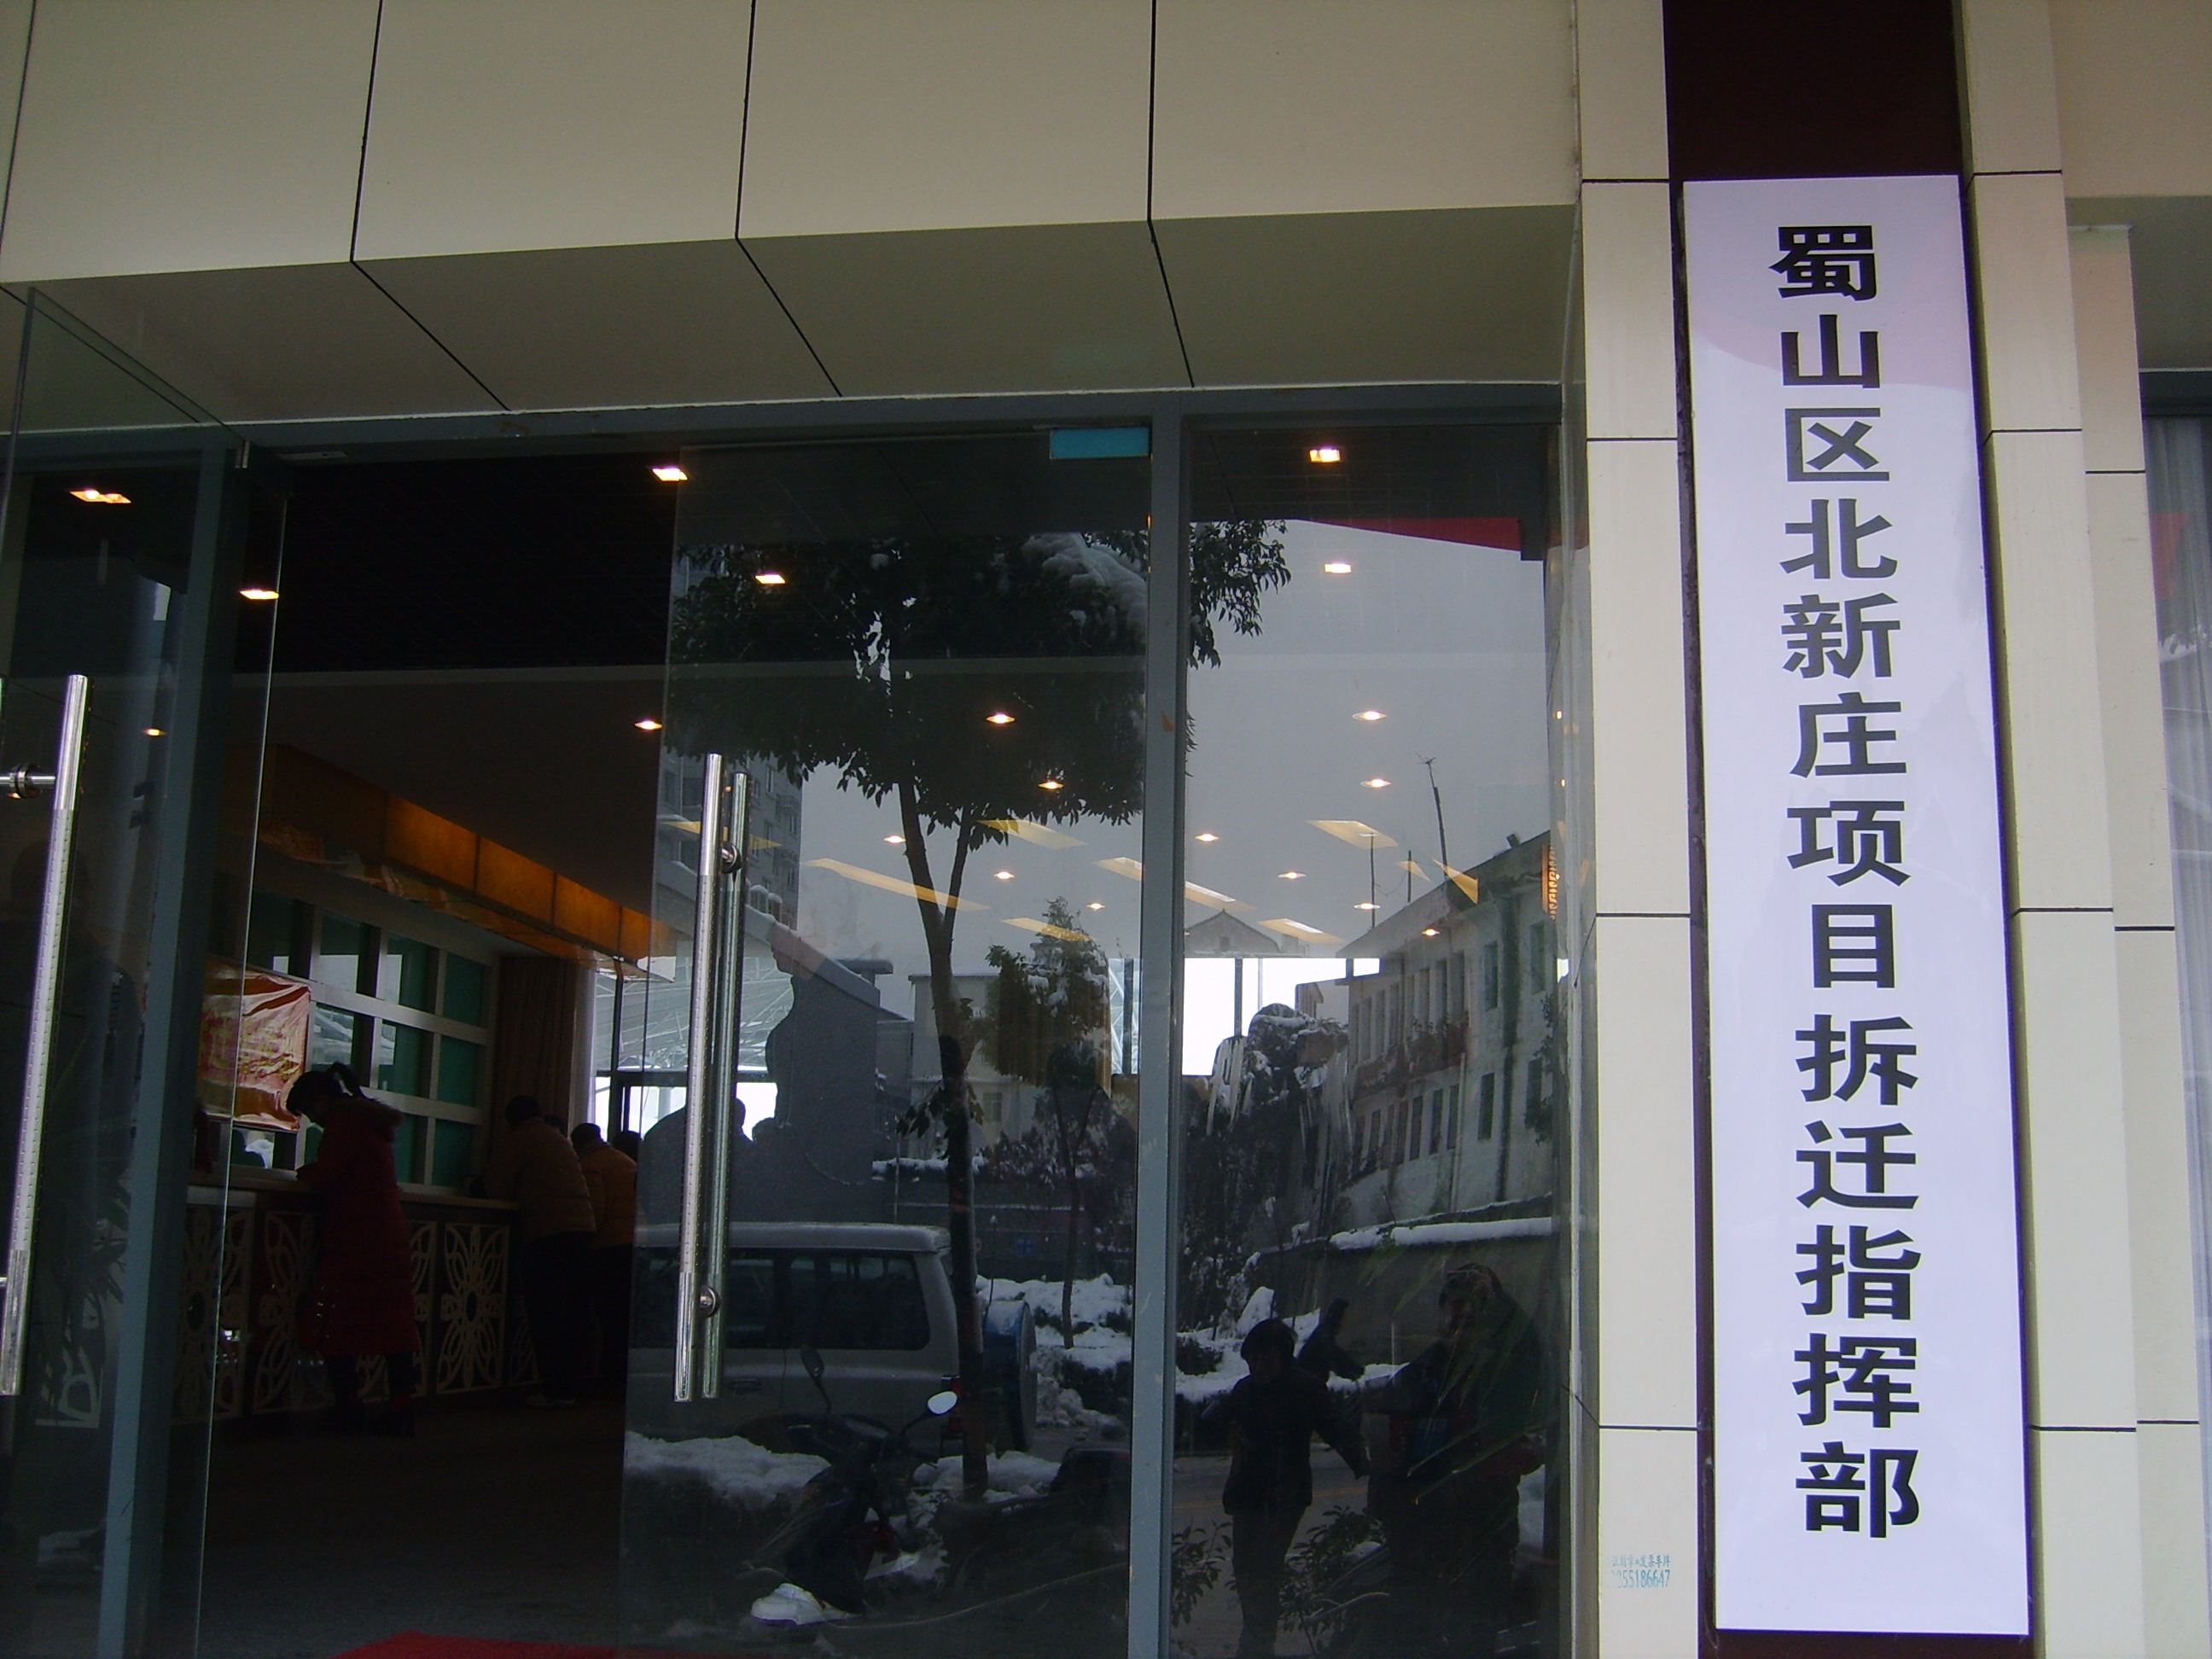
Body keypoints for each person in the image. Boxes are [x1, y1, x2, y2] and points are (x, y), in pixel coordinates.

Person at [1361, 1261, 1549, 1656]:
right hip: (1423, 1536)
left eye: (1475, 1316)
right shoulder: (1416, 1378)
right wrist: (1399, 1519)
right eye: (1455, 1312)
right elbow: (1386, 1458)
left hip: (1484, 1529)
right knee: (1419, 1632)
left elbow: (1530, 1357)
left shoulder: (1502, 1378)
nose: (1462, 1325)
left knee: (1474, 1635)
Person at [1204, 1318, 1368, 1659]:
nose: (1258, 1366)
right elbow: (1216, 1426)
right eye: (1253, 1359)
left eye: (1265, 1359)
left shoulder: (1305, 1388)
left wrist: (1362, 1462)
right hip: (1248, 1493)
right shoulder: (1245, 1390)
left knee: (1264, 1568)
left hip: (1284, 1493)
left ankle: (1259, 1641)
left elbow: (1334, 1426)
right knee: (1246, 1568)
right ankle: (1255, 1636)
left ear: (1282, 1356)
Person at [292, 1065, 422, 1435]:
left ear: (321, 1101)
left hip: (356, 1237)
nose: (313, 1120)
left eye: (309, 1110)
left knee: (339, 1324)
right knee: (393, 1326)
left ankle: (348, 1405)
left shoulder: (344, 1127)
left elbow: (329, 1176)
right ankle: (401, 1407)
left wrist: (307, 1172)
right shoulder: (371, 1126)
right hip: (387, 1235)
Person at [480, 1094, 597, 1405]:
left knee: (548, 1312)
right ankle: (573, 1385)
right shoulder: (557, 1139)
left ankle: (556, 1387)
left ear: (510, 1119)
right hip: (582, 1230)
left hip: (548, 1232)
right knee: (574, 1310)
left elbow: (495, 1187)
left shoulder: (519, 1140)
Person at [570, 1121, 638, 1392]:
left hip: (609, 1247)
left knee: (610, 1317)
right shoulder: (624, 1161)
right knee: (625, 1317)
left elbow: (594, 1211)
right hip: (633, 1244)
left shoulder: (591, 1165)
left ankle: (612, 1378)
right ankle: (624, 1379)